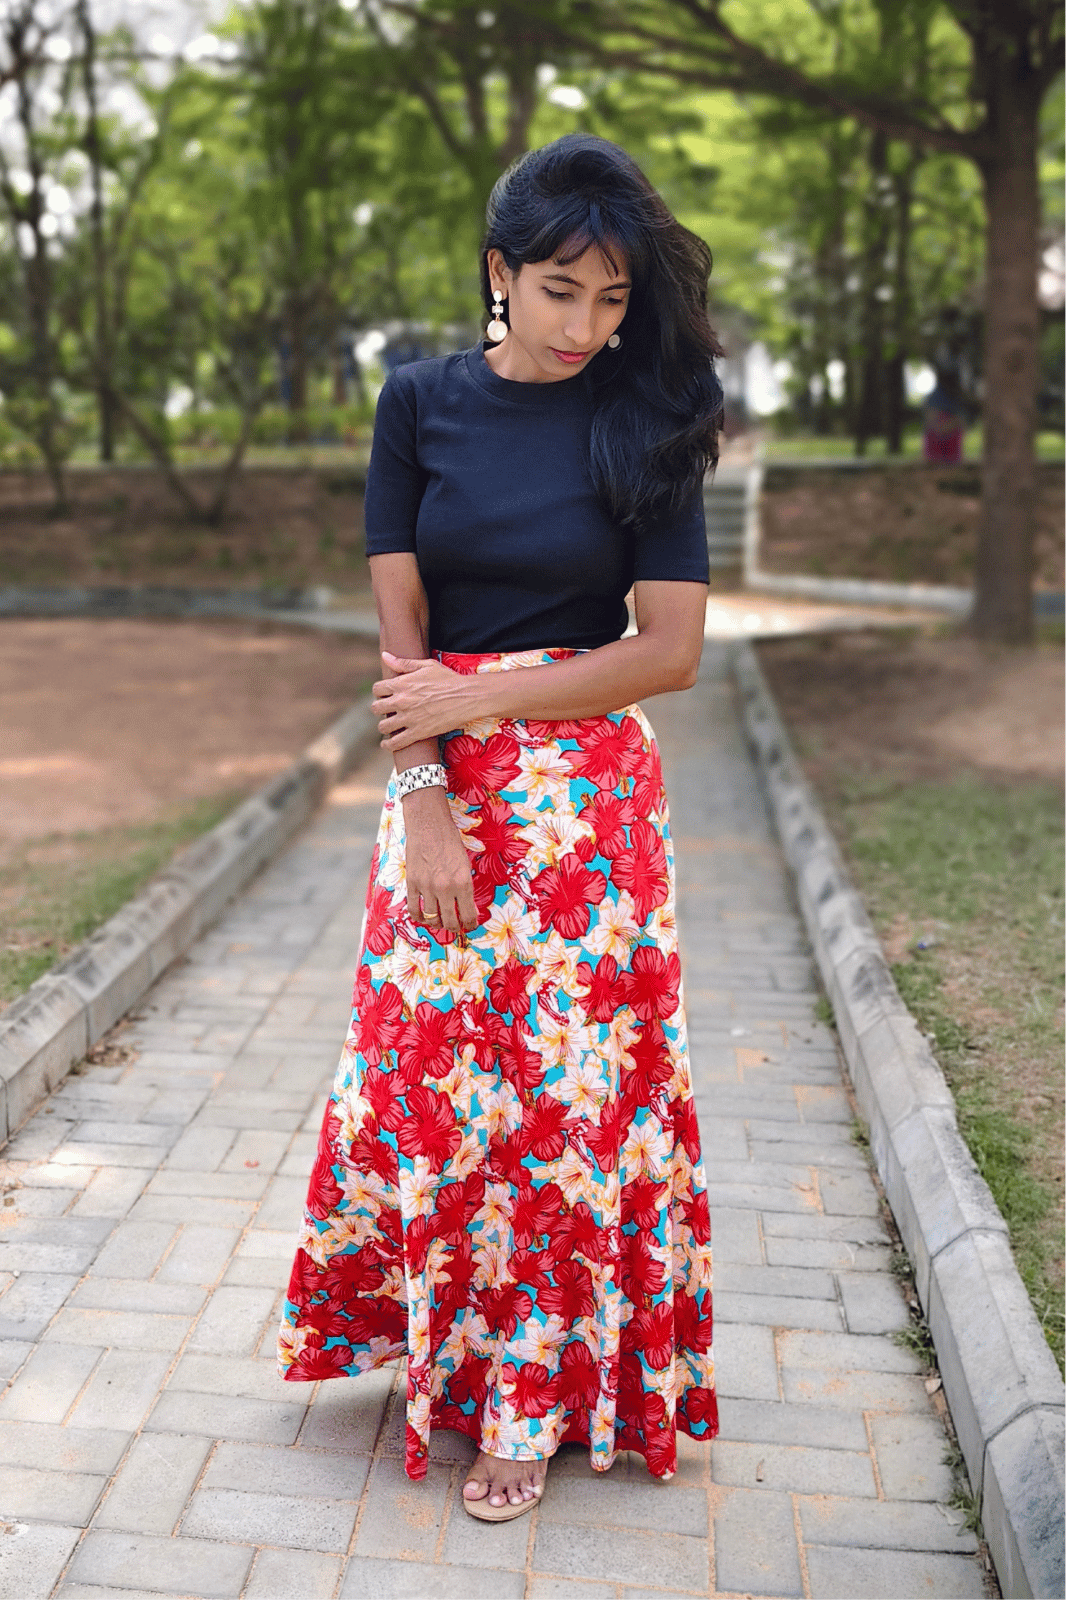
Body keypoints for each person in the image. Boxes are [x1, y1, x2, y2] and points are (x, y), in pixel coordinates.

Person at [277, 133, 722, 1524]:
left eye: (610, 298)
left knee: (561, 1114)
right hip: (442, 784)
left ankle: (527, 1401)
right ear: (498, 274)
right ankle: (430, 1351)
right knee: (422, 1084)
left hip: (591, 814)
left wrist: (494, 702)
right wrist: (422, 791)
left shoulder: (648, 415)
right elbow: (401, 626)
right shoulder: (417, 404)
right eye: (559, 291)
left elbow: (668, 650)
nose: (589, 324)